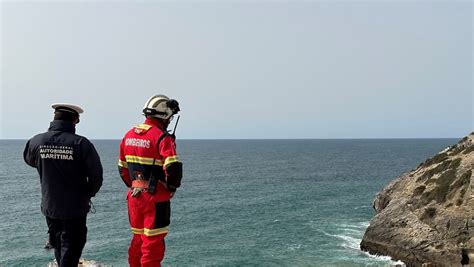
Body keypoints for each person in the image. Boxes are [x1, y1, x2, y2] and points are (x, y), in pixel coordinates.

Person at [23, 103, 103, 267]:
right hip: (74, 209)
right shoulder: (81, 144)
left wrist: (48, 164)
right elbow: (96, 177)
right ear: (75, 120)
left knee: (58, 243)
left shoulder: (37, 141)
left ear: (54, 118)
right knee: (71, 246)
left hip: (50, 206)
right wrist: (86, 194)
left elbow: (30, 160)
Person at [118, 95, 183, 267]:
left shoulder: (128, 135)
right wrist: (171, 187)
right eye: (169, 117)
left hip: (134, 197)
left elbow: (122, 169)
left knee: (137, 242)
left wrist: (135, 185)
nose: (170, 121)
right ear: (164, 115)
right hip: (156, 199)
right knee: (153, 246)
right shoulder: (162, 138)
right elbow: (173, 168)